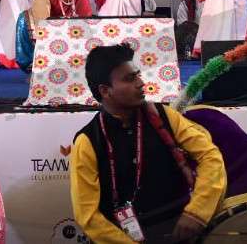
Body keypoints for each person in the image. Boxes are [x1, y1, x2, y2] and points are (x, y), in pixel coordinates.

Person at [70, 44, 227, 243]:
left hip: (180, 233)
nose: (141, 83)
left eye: (138, 75)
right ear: (105, 90)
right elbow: (88, 216)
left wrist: (198, 212)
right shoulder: (88, 142)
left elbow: (210, 156)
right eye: (130, 79)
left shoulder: (163, 116)